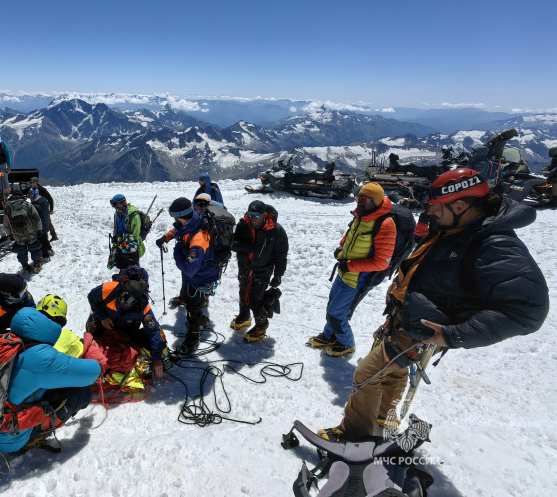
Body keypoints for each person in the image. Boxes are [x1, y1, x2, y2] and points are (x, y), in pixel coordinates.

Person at [318, 169, 549, 442]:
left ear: (460, 205)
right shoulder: (457, 226)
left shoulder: (494, 244)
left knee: (366, 374)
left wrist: (454, 334)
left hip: (424, 327)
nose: (429, 213)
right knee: (393, 371)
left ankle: (354, 436)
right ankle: (384, 416)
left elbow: (528, 310)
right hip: (408, 320)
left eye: (435, 207)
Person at [0, 305, 102, 455]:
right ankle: (30, 439)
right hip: (9, 439)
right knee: (82, 392)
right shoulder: (40, 357)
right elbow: (92, 373)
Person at [308, 182, 397, 357]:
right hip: (344, 273)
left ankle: (346, 343)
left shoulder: (385, 224)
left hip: (359, 280)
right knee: (332, 308)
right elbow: (350, 235)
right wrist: (342, 247)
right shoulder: (361, 216)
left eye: (365, 200)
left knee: (338, 314)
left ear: (377, 202)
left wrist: (349, 265)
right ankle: (328, 335)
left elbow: (382, 263)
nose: (360, 203)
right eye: (358, 198)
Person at [155, 197, 219, 354]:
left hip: (200, 276)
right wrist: (166, 238)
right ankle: (199, 314)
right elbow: (179, 230)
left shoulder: (198, 240)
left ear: (180, 215)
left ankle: (193, 337)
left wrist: (177, 252)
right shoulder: (192, 220)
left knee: (192, 306)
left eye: (175, 217)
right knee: (189, 296)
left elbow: (190, 269)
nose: (174, 220)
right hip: (195, 272)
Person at [86, 267, 165, 390]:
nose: (123, 302)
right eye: (122, 297)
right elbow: (91, 297)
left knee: (154, 341)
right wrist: (103, 317)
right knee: (94, 342)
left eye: (128, 301)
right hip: (104, 325)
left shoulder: (142, 306)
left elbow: (153, 330)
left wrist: (157, 359)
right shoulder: (109, 289)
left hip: (126, 330)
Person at [229, 200, 288, 342]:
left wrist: (278, 275)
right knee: (243, 292)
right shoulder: (243, 225)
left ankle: (262, 325)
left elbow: (281, 256)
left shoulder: (276, 231)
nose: (252, 219)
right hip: (244, 267)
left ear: (264, 215)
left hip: (263, 270)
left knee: (256, 299)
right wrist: (245, 247)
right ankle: (244, 317)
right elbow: (232, 244)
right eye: (250, 215)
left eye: (256, 216)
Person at [7, 188, 45, 274]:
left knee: (21, 250)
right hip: (31, 233)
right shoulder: (27, 205)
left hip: (17, 235)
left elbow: (6, 223)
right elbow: (37, 218)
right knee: (34, 247)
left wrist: (10, 234)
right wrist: (40, 229)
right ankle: (37, 264)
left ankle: (25, 266)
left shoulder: (8, 207)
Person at [108, 194, 145, 270]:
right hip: (121, 248)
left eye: (116, 206)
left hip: (132, 250)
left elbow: (135, 238)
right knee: (123, 271)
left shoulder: (134, 217)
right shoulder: (117, 215)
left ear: (121, 204)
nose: (115, 208)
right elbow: (116, 231)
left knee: (133, 271)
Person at [29, 176, 58, 242]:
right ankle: (49, 236)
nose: (31, 184)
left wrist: (51, 209)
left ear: (36, 182)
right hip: (36, 207)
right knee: (43, 221)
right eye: (30, 182)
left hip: (44, 207)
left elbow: (50, 199)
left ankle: (51, 236)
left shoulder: (42, 190)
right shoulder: (31, 189)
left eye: (32, 182)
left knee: (47, 221)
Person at [28, 185, 52, 260]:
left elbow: (34, 217)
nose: (29, 196)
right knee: (44, 237)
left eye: (29, 195)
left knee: (41, 241)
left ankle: (45, 256)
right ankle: (49, 250)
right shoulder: (44, 200)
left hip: (40, 225)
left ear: (32, 195)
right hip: (45, 222)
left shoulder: (35, 205)